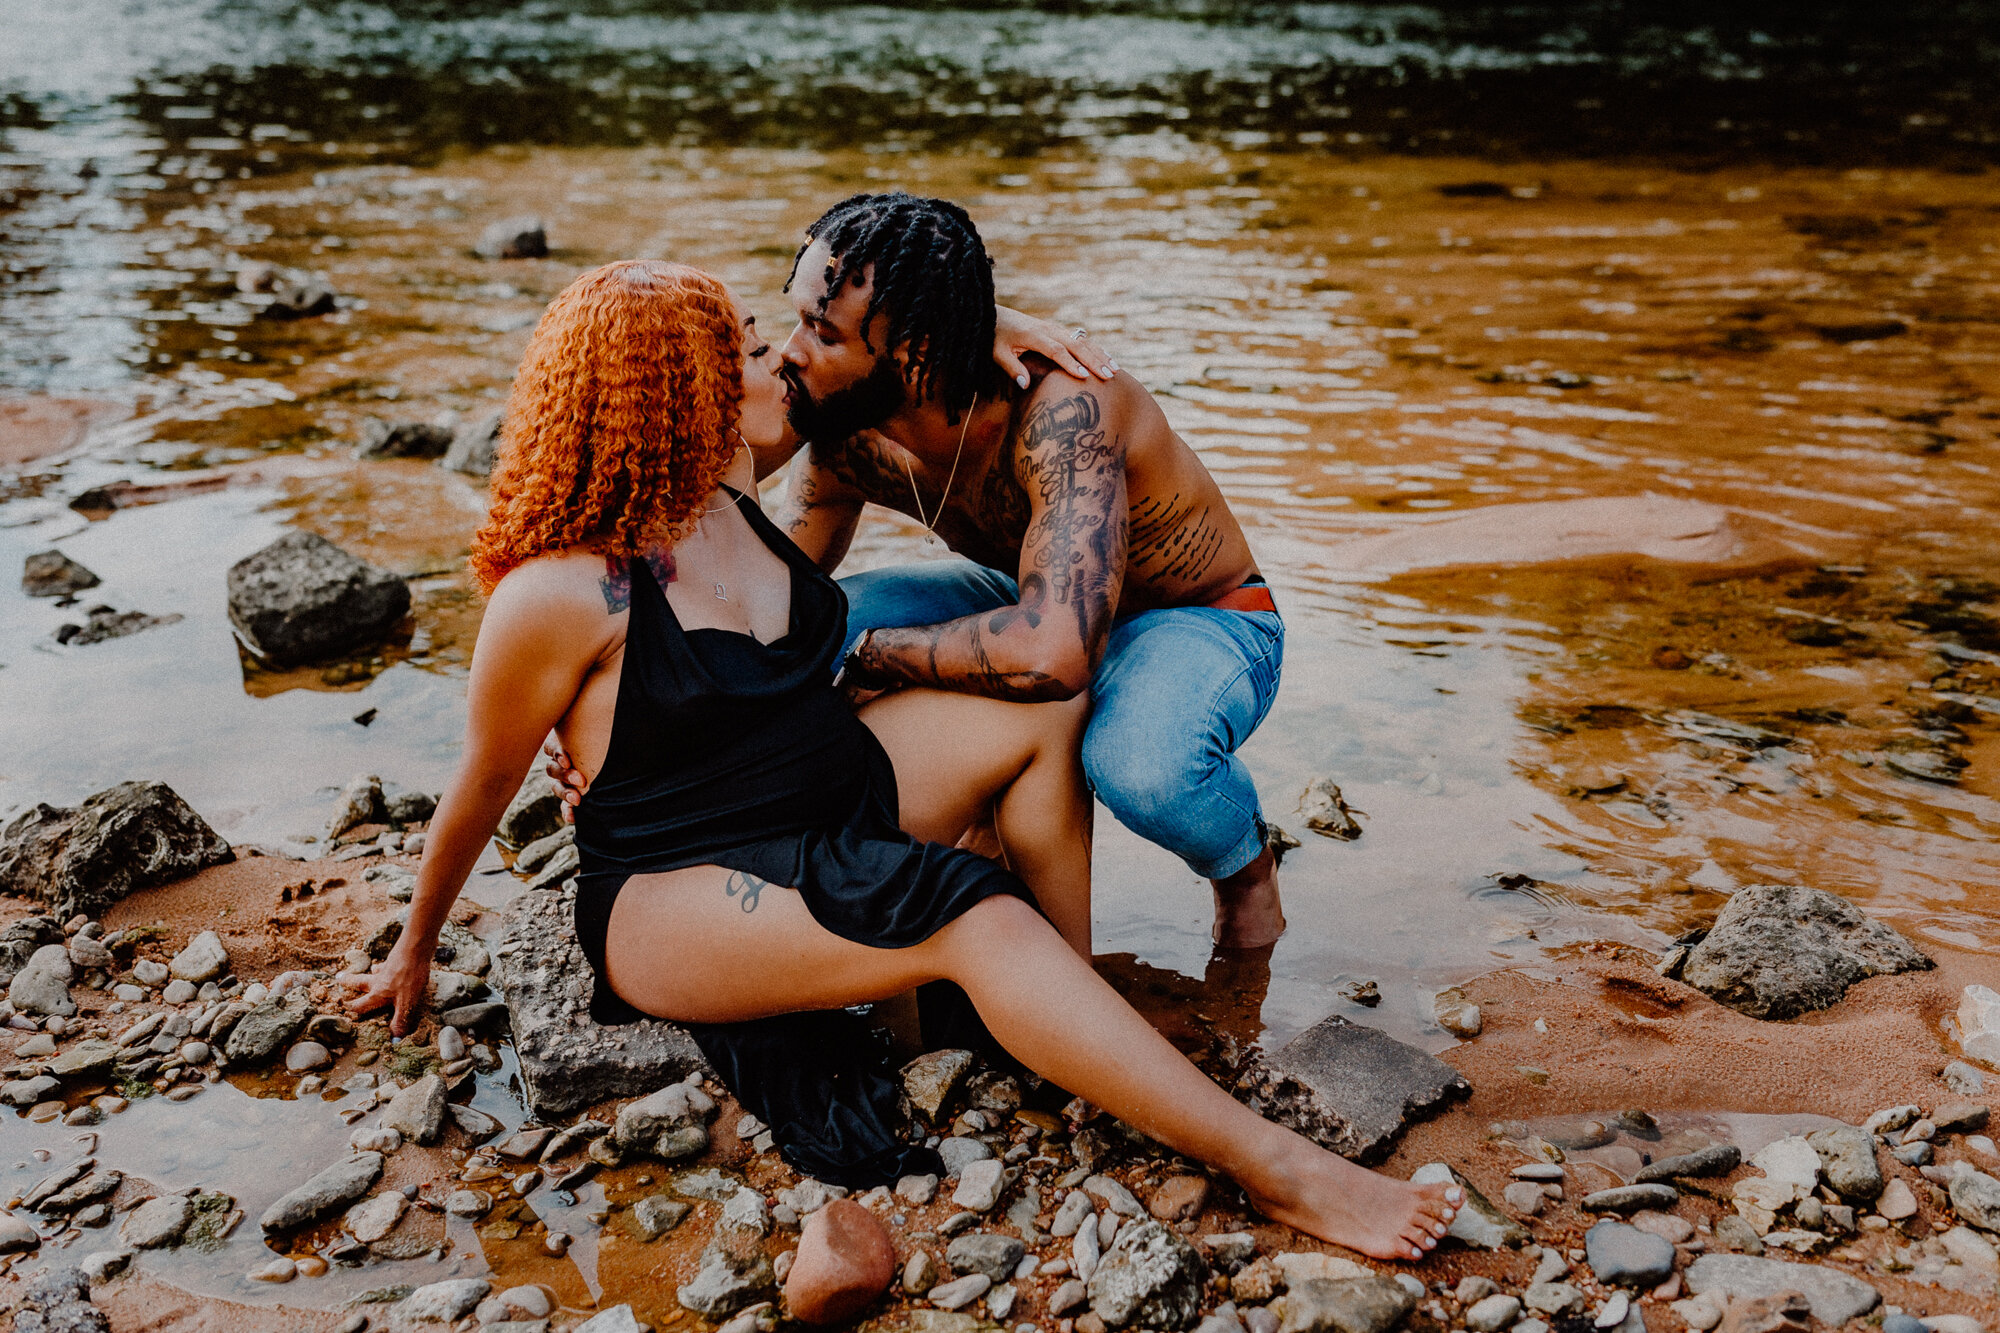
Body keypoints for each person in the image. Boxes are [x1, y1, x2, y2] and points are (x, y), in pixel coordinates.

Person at [339, 258, 1460, 1258]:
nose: (768, 365)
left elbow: (870, 347)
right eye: (731, 356)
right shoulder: (559, 595)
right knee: (973, 914)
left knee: (1040, 714)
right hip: (672, 887)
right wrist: (414, 948)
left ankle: (1055, 1013)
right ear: (660, 402)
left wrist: (983, 321)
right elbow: (480, 789)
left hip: (810, 789)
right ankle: (1276, 1166)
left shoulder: (724, 469)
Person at [773, 193, 1289, 949]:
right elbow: (763, 595)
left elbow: (1053, 652)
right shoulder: (847, 432)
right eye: (797, 321)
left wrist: (877, 655)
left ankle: (1246, 868)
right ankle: (970, 820)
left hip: (1200, 617)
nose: (791, 349)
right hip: (1036, 594)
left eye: (820, 332)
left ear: (915, 351)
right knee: (812, 623)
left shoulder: (1059, 405)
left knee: (1145, 768)